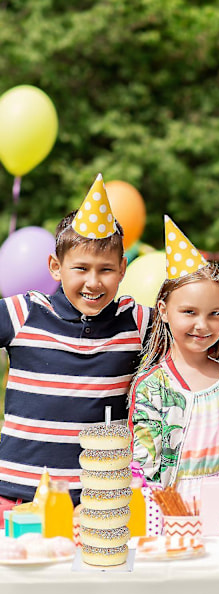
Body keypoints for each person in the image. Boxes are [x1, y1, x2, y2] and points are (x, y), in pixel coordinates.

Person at [0, 174, 152, 505]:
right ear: (56, 267)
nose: (93, 282)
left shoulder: (136, 322)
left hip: (97, 502)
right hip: (15, 494)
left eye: (106, 270)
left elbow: (197, 323)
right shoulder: (23, 313)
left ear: (123, 269)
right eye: (80, 268)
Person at [129, 216, 219, 496]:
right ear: (163, 310)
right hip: (177, 512)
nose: (202, 325)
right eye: (189, 312)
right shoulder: (153, 387)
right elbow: (144, 470)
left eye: (214, 314)